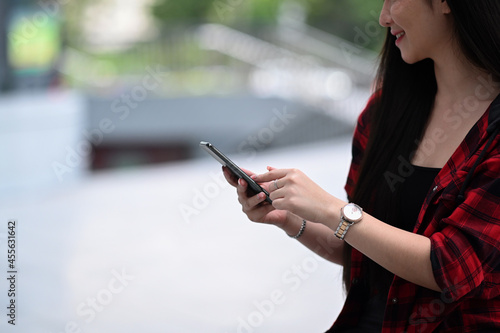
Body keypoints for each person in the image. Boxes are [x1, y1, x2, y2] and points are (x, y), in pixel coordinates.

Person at [223, 0, 500, 331]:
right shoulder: (384, 111)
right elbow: (361, 247)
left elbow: (453, 265)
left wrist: (332, 209)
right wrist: (291, 219)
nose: (383, 18)